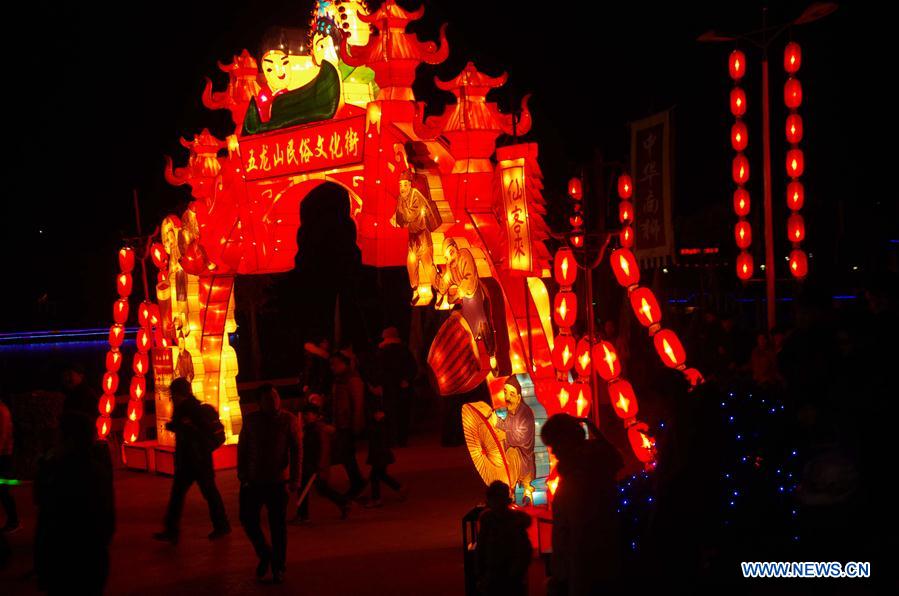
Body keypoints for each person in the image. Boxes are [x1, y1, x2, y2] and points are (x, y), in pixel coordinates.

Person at [541, 414, 622, 596]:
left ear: (566, 441)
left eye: (554, 444)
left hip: (583, 569)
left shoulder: (580, 479)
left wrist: (562, 572)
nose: (552, 451)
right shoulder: (592, 468)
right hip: (588, 566)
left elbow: (576, 532)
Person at [34, 412, 114, 595]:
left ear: (67, 440)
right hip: (95, 560)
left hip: (63, 562)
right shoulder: (99, 471)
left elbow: (45, 518)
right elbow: (108, 522)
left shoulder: (57, 473)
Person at [153, 378, 230, 543]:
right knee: (202, 494)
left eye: (174, 393)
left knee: (190, 495)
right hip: (195, 460)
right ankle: (220, 525)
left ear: (179, 393)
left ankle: (174, 530)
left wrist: (179, 427)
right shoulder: (185, 408)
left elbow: (198, 432)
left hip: (195, 460)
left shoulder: (191, 409)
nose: (172, 397)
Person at [238, 385, 301, 583]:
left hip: (277, 480)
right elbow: (243, 447)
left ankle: (278, 565)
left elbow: (297, 449)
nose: (273, 402)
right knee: (248, 519)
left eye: (275, 397)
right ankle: (265, 553)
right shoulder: (251, 421)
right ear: (260, 403)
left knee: (278, 526)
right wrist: (242, 473)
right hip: (254, 479)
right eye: (268, 399)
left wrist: (295, 478)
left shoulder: (288, 419)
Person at [434, 238, 496, 362]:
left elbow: (470, 278)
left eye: (451, 252)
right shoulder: (451, 267)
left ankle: (491, 353)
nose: (450, 258)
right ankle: (476, 354)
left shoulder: (464, 256)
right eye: (447, 257)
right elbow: (444, 283)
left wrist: (458, 293)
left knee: (481, 319)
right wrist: (434, 276)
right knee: (469, 327)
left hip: (475, 292)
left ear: (455, 248)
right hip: (467, 301)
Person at [391, 168, 441, 305]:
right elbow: (400, 220)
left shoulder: (415, 195)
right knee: (411, 263)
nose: (403, 188)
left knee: (428, 266)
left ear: (410, 185)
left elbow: (409, 216)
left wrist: (399, 215)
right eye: (400, 185)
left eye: (405, 184)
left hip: (423, 236)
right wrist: (396, 218)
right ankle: (415, 290)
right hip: (412, 238)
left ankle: (439, 290)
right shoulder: (401, 198)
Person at [294, 404, 350, 522]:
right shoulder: (309, 428)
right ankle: (343, 502)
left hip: (315, 466)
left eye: (308, 414)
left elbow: (324, 449)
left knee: (315, 488)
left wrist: (319, 466)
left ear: (315, 416)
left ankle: (303, 515)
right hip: (310, 464)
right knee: (317, 488)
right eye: (304, 414)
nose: (305, 417)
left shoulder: (318, 429)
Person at [475, 481, 532, 596]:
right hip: (507, 574)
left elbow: (481, 548)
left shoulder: (488, 520)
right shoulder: (516, 520)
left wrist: (481, 574)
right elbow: (525, 549)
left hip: (501, 574)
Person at [493, 377, 536, 503]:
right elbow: (507, 426)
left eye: (512, 394)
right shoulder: (511, 411)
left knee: (511, 454)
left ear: (518, 397)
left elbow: (522, 436)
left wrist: (506, 435)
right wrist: (497, 422)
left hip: (523, 457)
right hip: (514, 457)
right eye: (505, 392)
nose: (507, 397)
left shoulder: (525, 412)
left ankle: (518, 491)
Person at [329, 353, 366, 497]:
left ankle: (357, 482)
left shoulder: (352, 379)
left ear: (344, 363)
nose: (332, 367)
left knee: (345, 453)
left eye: (335, 364)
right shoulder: (339, 379)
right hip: (341, 422)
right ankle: (356, 481)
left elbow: (358, 402)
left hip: (347, 423)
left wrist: (357, 421)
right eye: (331, 364)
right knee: (345, 454)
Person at [373, 327, 417, 447]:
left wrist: (377, 384)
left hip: (388, 385)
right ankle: (401, 439)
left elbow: (378, 370)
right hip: (402, 386)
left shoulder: (381, 351)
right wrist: (406, 379)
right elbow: (412, 367)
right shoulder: (403, 350)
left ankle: (392, 439)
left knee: (390, 412)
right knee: (402, 413)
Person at [364, 391, 402, 508]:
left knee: (375, 476)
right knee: (380, 475)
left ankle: (377, 499)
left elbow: (379, 440)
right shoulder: (379, 424)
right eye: (376, 413)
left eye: (379, 413)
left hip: (380, 455)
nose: (378, 415)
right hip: (381, 455)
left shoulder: (381, 426)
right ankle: (399, 488)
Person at [0, 398, 19, 533]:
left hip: (3, 456)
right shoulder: (3, 410)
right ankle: (13, 520)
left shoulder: (2, 411)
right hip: (4, 454)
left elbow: (3, 435)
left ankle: (14, 520)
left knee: (3, 489)